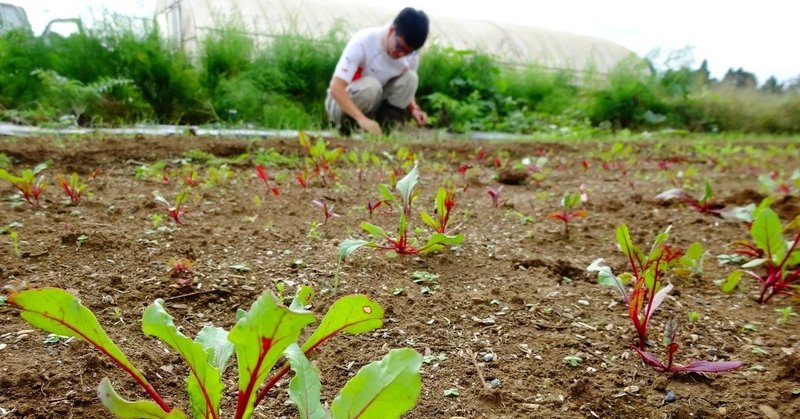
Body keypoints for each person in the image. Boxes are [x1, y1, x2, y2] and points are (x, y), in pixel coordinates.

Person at [325, 7, 429, 136]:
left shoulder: (411, 56)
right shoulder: (363, 41)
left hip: (374, 102)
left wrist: (414, 109)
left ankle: (384, 132)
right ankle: (346, 129)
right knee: (372, 86)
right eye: (400, 47)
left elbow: (406, 87)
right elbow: (336, 88)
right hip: (340, 104)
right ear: (392, 31)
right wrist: (362, 119)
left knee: (411, 78)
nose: (402, 54)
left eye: (408, 52)